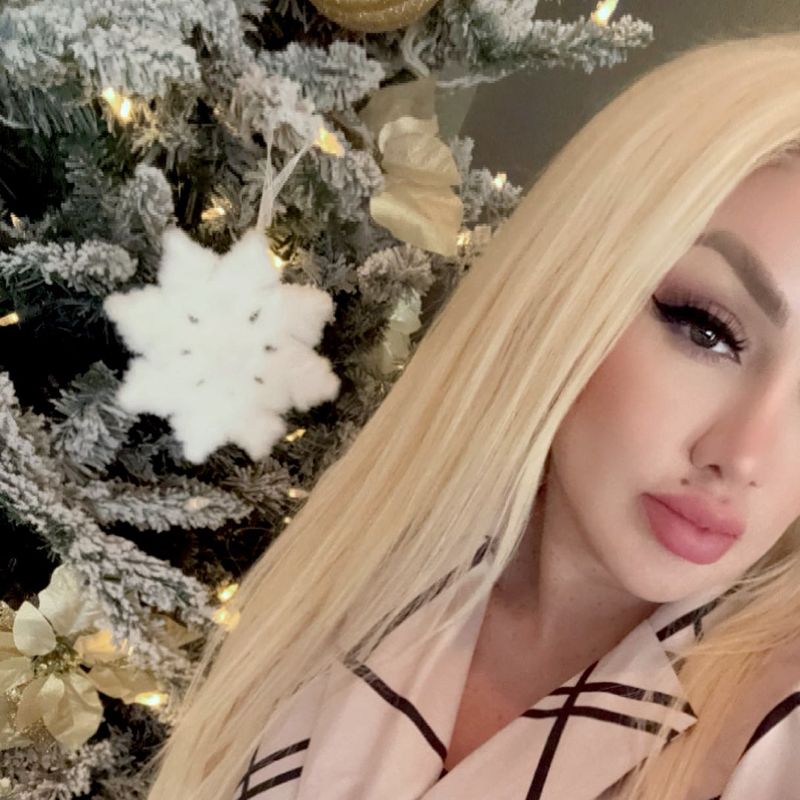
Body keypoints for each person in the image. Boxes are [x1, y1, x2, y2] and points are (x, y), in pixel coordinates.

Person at [143, 30, 800, 800]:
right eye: (706, 329)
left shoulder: (775, 735)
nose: (744, 456)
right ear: (573, 284)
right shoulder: (369, 574)